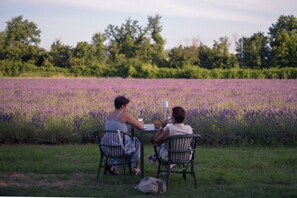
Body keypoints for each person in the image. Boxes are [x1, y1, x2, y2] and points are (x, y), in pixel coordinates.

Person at [104, 95, 144, 175]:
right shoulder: (124, 115)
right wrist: (141, 121)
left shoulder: (108, 116)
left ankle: (112, 163)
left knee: (130, 142)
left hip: (107, 147)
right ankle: (134, 167)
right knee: (136, 142)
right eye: (126, 106)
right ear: (122, 106)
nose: (126, 108)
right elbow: (140, 127)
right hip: (120, 147)